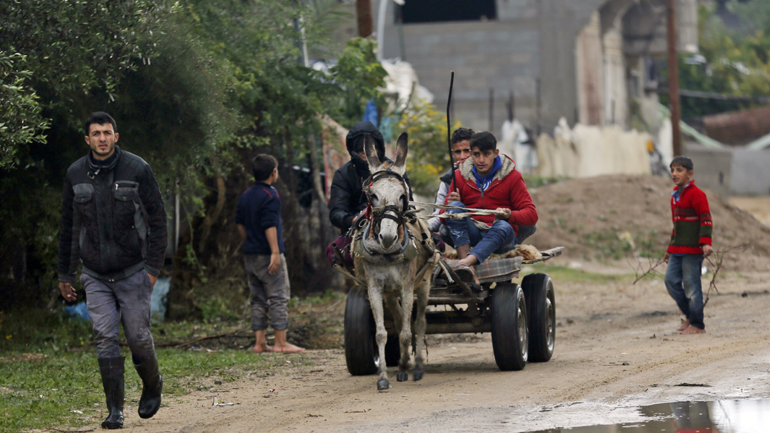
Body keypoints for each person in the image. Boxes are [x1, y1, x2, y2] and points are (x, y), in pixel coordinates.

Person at [58, 112, 166, 429]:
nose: (102, 138)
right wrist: (65, 274)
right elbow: (69, 227)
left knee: (137, 337)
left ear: (116, 137)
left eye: (107, 133)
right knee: (105, 337)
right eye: (96, 133)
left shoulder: (137, 168)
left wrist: (153, 268)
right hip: (95, 273)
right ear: (87, 139)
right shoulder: (75, 174)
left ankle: (152, 384)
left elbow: (158, 221)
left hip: (133, 270)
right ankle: (115, 410)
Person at [439, 131, 538, 279]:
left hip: (500, 240)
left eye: (486, 154)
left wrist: (509, 215)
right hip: (472, 235)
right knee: (455, 209)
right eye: (476, 154)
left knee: (503, 226)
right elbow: (443, 218)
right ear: (471, 154)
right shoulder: (459, 176)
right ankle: (467, 267)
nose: (481, 160)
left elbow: (532, 215)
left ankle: (465, 263)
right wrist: (451, 205)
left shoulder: (512, 177)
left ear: (495, 153)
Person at [236, 154, 305, 353]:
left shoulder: (246, 195)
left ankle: (259, 343)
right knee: (278, 296)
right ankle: (280, 343)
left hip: (250, 255)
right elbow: (270, 225)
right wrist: (275, 251)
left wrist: (249, 241)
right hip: (268, 256)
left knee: (258, 298)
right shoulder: (270, 195)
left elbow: (239, 223)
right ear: (274, 172)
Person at [326, 121, 412, 266]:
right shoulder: (343, 174)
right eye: (362, 152)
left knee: (434, 245)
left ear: (380, 149)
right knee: (334, 252)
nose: (369, 155)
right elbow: (336, 212)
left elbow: (410, 202)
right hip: (358, 227)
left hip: (396, 223)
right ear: (354, 152)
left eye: (374, 150)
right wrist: (354, 219)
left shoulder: (395, 170)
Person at [663, 156, 713, 335]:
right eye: (672, 170)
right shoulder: (675, 196)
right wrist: (670, 248)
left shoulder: (697, 195)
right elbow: (677, 226)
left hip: (692, 250)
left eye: (679, 170)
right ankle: (690, 316)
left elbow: (706, 219)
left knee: (692, 286)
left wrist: (706, 242)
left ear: (689, 174)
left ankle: (698, 324)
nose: (674, 174)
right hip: (677, 249)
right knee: (670, 281)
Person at [427, 127, 474, 233]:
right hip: (461, 229)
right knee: (444, 230)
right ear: (453, 153)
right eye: (458, 152)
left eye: (467, 151)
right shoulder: (448, 179)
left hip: (488, 228)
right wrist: (423, 228)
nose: (462, 156)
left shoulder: (489, 174)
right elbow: (438, 216)